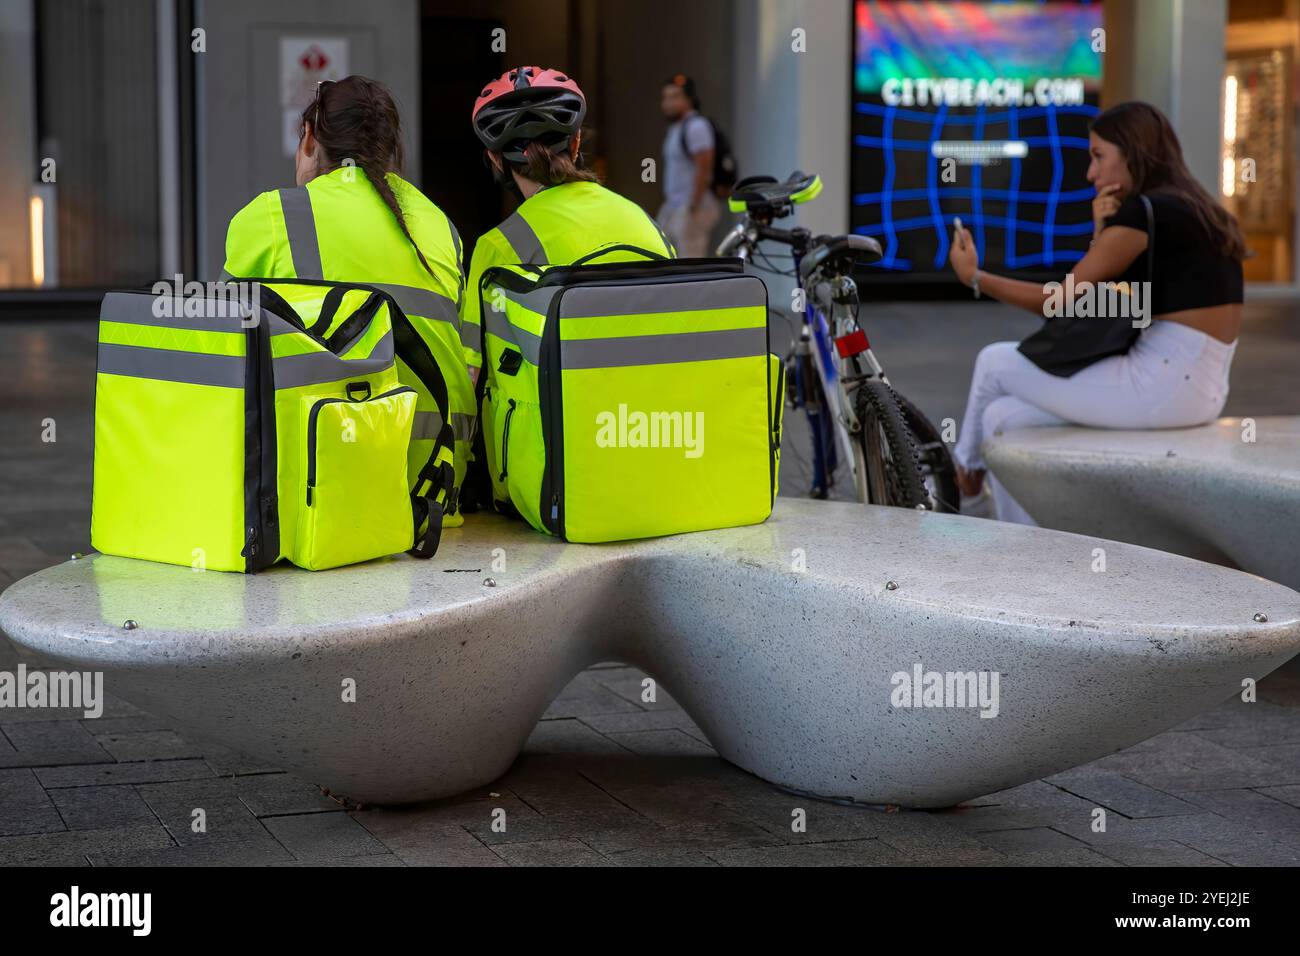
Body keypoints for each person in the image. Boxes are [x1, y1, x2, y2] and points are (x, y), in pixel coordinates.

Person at [946, 100, 1246, 524]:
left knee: (994, 362)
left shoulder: (1145, 213)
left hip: (1162, 382)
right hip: (1196, 388)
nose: (1091, 173)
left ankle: (964, 485)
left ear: (1133, 152)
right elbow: (1110, 300)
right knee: (1000, 418)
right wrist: (1103, 231)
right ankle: (1019, 544)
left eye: (1098, 156)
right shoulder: (1193, 208)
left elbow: (1060, 303)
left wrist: (975, 278)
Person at [223, 74, 474, 526]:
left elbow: (219, 353)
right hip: (434, 492)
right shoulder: (441, 225)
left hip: (324, 493)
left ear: (309, 139)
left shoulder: (272, 216)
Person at [461, 65, 675, 379]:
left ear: (495, 159)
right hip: (657, 420)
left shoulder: (498, 245)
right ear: (575, 143)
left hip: (554, 426)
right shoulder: (646, 222)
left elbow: (473, 372)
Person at [658, 73, 721, 258]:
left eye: (675, 97)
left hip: (692, 207)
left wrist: (693, 205)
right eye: (666, 98)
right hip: (674, 206)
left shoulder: (696, 126)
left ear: (689, 99)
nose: (668, 103)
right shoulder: (676, 128)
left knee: (690, 263)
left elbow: (704, 167)